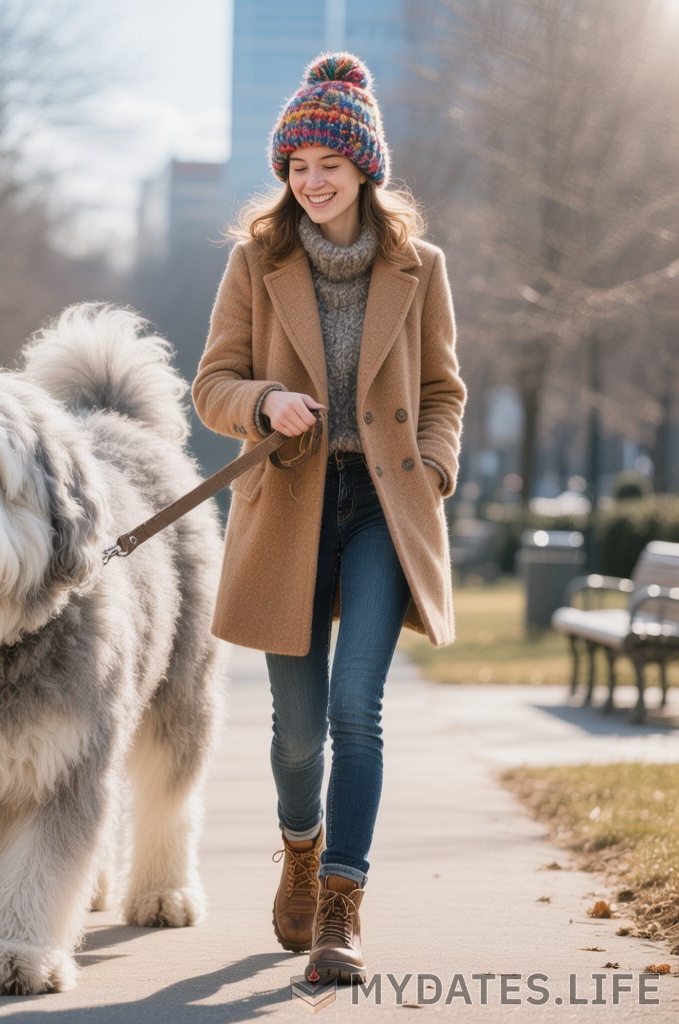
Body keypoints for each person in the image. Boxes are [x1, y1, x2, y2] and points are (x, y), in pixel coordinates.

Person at [192, 52, 466, 985]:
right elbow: (211, 387)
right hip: (290, 503)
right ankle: (301, 849)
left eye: (329, 166)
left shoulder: (418, 267)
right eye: (297, 165)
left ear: (365, 171)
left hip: (383, 506)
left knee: (359, 709)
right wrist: (264, 400)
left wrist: (432, 468)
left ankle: (341, 905)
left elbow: (442, 389)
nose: (311, 182)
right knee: (297, 729)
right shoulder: (256, 261)